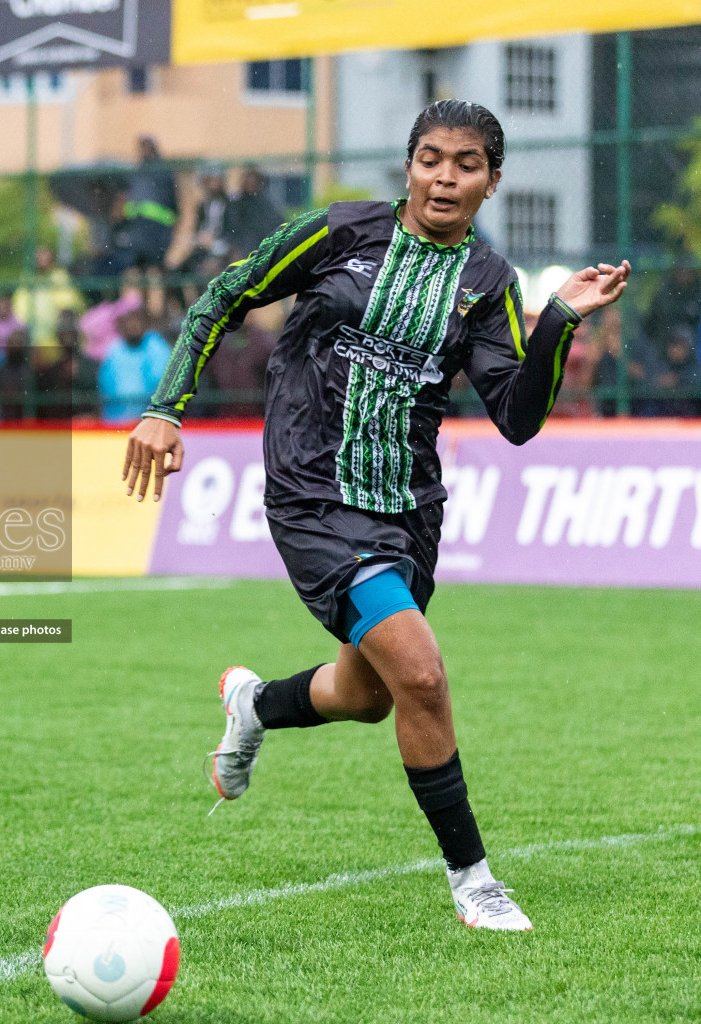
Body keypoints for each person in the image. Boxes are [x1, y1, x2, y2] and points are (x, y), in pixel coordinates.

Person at [121, 100, 630, 930]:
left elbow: (518, 416)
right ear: (409, 166)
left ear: (491, 182)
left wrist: (559, 322)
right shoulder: (338, 233)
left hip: (408, 511)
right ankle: (475, 881)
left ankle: (253, 704)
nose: (445, 176)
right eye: (432, 158)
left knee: (372, 695)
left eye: (467, 164)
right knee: (423, 674)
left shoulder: (488, 283)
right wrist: (165, 408)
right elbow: (224, 295)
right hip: (313, 495)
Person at [97, 308, 169, 424]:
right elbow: (103, 385)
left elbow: (164, 385)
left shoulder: (156, 346)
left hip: (150, 421)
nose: (133, 325)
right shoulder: (114, 349)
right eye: (128, 321)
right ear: (121, 326)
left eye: (137, 321)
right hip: (114, 420)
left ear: (145, 324)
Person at [120, 136, 179, 271]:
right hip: (137, 227)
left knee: (156, 267)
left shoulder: (161, 172)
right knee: (137, 268)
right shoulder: (136, 172)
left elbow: (173, 202)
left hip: (156, 230)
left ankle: (166, 291)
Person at [223, 165, 283, 261]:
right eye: (247, 179)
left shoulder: (266, 205)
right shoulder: (236, 205)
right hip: (239, 250)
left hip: (260, 251)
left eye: (254, 180)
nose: (250, 183)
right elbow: (230, 229)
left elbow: (274, 228)